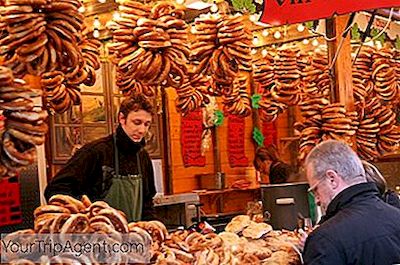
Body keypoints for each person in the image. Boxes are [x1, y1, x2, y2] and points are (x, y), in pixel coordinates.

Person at [45, 93, 156, 222]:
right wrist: (84, 212)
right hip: (99, 237)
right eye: (137, 122)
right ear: (122, 118)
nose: (142, 130)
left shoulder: (143, 157)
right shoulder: (95, 152)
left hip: (134, 237)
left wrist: (150, 228)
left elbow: (147, 202)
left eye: (147, 124)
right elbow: (56, 189)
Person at [303, 140, 400, 265]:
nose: (316, 200)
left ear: (332, 179)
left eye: (315, 190)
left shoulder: (324, 240)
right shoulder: (397, 218)